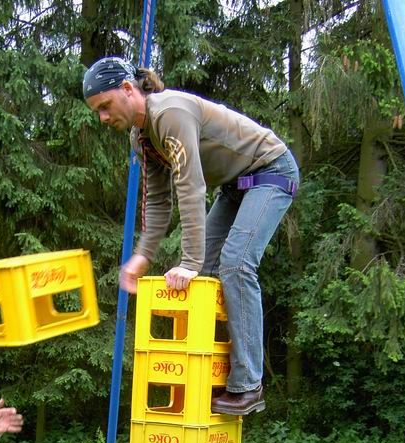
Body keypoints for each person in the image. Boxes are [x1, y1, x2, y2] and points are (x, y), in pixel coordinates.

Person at [83, 56, 299, 415]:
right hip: (234, 187)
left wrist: (190, 261)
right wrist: (142, 256)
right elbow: (157, 201)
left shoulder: (169, 112)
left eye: (105, 106)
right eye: (98, 112)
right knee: (207, 272)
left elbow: (191, 186)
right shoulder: (141, 138)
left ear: (127, 89)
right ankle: (211, 374)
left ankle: (248, 384)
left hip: (271, 170)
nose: (103, 117)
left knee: (236, 263)